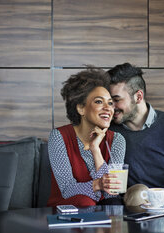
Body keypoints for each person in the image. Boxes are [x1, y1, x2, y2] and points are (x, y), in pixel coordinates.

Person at [107, 63, 164, 209]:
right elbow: (110, 190)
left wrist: (163, 210)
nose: (111, 107)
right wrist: (118, 214)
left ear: (138, 96)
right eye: (109, 101)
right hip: (132, 205)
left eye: (116, 100)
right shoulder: (108, 133)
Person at [47, 66, 126, 207]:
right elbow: (67, 190)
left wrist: (95, 149)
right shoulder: (59, 137)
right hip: (68, 210)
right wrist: (98, 184)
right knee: (86, 201)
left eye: (110, 103)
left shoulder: (117, 140)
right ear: (81, 108)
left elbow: (111, 193)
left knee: (115, 204)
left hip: (103, 211)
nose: (108, 108)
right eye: (98, 101)